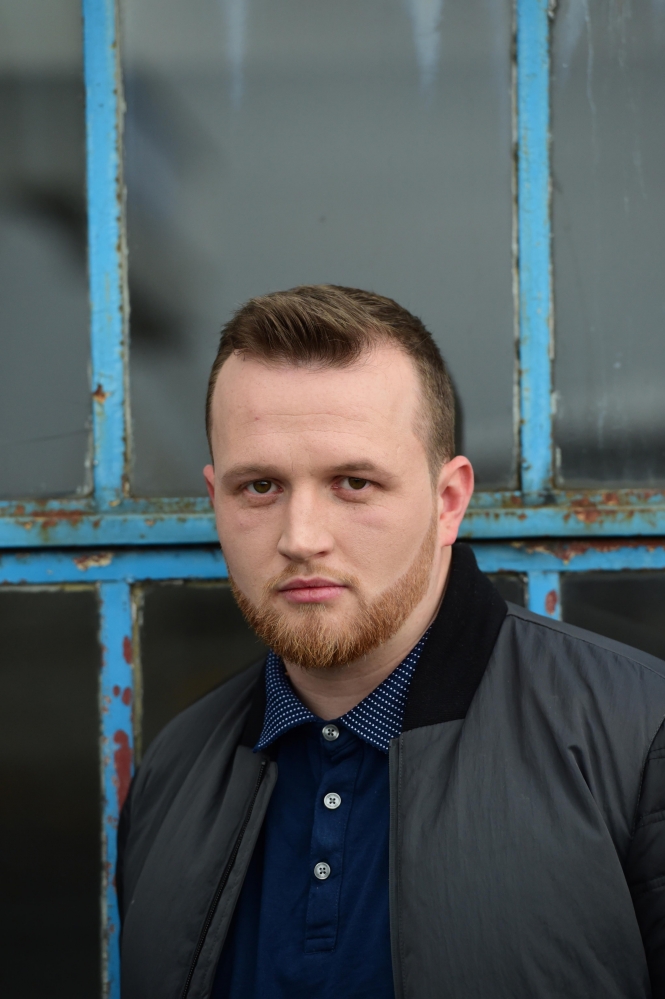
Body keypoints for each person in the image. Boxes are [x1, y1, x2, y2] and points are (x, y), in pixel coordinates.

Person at [117, 285, 665, 999]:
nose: (300, 538)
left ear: (448, 502)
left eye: (353, 482)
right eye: (260, 487)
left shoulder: (638, 737)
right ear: (215, 499)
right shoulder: (174, 771)